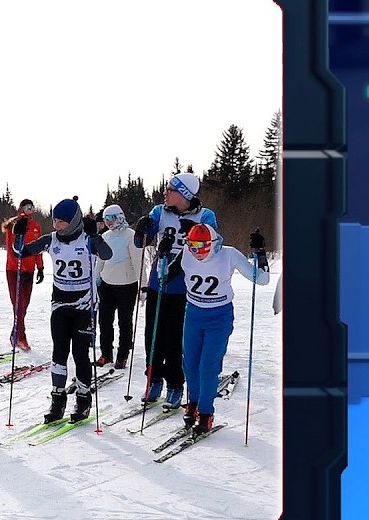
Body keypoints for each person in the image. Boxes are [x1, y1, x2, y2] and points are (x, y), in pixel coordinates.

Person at [15, 198, 112, 424]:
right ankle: (57, 401)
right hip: (59, 304)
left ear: (74, 222)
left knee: (80, 354)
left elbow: (107, 254)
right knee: (59, 353)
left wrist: (96, 236)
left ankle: (83, 399)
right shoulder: (51, 240)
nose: (57, 226)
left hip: (84, 305)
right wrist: (19, 235)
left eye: (62, 222)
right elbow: (21, 252)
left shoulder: (87, 240)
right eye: (55, 221)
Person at [173, 224, 269, 434]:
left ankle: (206, 413)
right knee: (190, 363)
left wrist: (260, 253)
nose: (196, 251)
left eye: (201, 246)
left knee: (208, 365)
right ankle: (194, 402)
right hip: (193, 314)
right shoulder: (187, 254)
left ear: (213, 243)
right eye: (192, 245)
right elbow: (173, 270)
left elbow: (262, 279)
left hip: (219, 316)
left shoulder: (228, 255)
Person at [133, 172, 219, 406]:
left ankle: (174, 384)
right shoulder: (159, 212)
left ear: (184, 194)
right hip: (158, 285)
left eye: (170, 189)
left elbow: (212, 248)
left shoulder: (206, 215)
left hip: (186, 288)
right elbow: (142, 242)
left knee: (176, 340)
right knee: (153, 337)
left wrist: (193, 235)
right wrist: (142, 229)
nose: (165, 193)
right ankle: (153, 380)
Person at [95, 204, 144, 369]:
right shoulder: (106, 236)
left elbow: (138, 263)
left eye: (112, 218)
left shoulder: (131, 236)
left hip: (127, 286)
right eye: (106, 219)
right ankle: (106, 354)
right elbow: (100, 261)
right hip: (107, 285)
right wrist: (96, 281)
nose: (109, 222)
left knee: (125, 321)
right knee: (105, 321)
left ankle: (122, 355)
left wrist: (142, 286)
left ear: (120, 217)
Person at [2, 199, 45, 352]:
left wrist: (40, 267)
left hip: (29, 270)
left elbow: (38, 248)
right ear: (21, 208)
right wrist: (16, 233)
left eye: (31, 207)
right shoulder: (14, 224)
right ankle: (21, 336)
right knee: (18, 304)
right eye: (27, 207)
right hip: (15, 270)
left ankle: (15, 332)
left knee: (24, 305)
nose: (29, 210)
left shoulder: (35, 226)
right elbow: (12, 248)